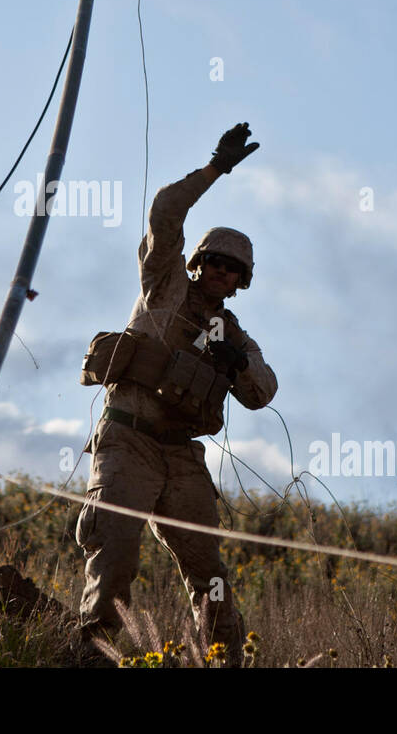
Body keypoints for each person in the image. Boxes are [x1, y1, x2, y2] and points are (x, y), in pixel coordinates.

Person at [75, 122, 278, 665]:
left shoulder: (234, 334)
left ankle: (225, 660)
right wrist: (217, 167)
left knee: (208, 573)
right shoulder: (163, 285)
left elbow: (263, 392)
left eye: (234, 269)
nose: (222, 272)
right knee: (115, 552)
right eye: (216, 260)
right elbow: (165, 212)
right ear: (199, 263)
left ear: (242, 282)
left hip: (183, 458)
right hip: (128, 440)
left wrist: (240, 366)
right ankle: (95, 653)